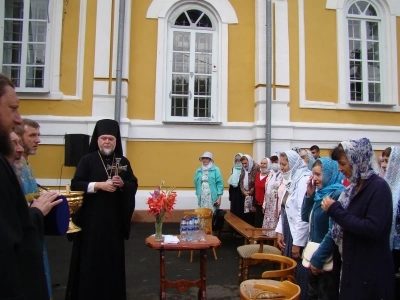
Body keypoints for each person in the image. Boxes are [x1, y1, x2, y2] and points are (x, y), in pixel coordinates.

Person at [0, 73, 61, 299]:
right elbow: (10, 232)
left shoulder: (24, 166)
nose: (17, 118)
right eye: (12, 108)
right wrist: (36, 213)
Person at [65, 119, 138, 300]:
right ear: (97, 140)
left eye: (111, 139)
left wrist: (123, 185)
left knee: (112, 263)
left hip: (113, 223)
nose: (107, 142)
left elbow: (133, 184)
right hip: (91, 223)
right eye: (103, 138)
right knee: (90, 262)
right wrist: (98, 185)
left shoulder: (123, 161)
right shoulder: (87, 160)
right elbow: (76, 184)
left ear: (116, 141)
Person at [321, 138, 394, 300]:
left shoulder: (379, 188)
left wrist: (335, 210)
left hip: (369, 274)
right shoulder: (352, 189)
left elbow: (372, 228)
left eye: (343, 164)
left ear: (358, 161)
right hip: (350, 269)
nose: (340, 169)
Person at [15, 118, 54, 299]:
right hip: (22, 236)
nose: (38, 140)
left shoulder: (26, 164)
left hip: (35, 231)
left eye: (38, 135)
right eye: (32, 135)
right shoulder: (15, 166)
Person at [301, 158, 345, 300]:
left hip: (327, 260)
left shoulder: (337, 194)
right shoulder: (320, 194)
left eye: (318, 175)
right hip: (315, 255)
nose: (314, 178)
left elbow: (333, 231)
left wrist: (318, 258)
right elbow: (305, 217)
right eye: (313, 174)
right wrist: (309, 195)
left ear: (329, 174)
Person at [275, 150, 311, 300]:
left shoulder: (303, 179)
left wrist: (298, 242)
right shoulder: (291, 179)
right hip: (288, 230)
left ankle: (300, 296)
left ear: (294, 164)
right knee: (290, 269)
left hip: (298, 233)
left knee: (299, 270)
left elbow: (302, 214)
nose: (281, 168)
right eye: (280, 164)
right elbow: (284, 208)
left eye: (284, 164)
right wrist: (279, 230)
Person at [382, 146, 400, 282]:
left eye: (388, 161)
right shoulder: (387, 183)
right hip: (387, 244)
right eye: (383, 161)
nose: (383, 165)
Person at [262, 152, 282, 237]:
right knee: (268, 224)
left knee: (276, 225)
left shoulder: (282, 175)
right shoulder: (270, 174)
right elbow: (266, 190)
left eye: (276, 161)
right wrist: (264, 204)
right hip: (269, 204)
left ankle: (275, 242)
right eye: (272, 161)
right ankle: (267, 242)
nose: (274, 164)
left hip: (276, 205)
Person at [239, 154, 260, 226]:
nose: (244, 165)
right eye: (243, 163)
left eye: (245, 163)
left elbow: (257, 182)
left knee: (253, 215)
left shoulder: (256, 167)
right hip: (245, 195)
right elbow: (241, 181)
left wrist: (250, 191)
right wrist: (243, 191)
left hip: (254, 195)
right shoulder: (243, 168)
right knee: (246, 216)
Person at [254, 157, 271, 227]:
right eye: (261, 163)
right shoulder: (257, 175)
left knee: (263, 224)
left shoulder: (270, 176)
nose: (262, 165)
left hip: (265, 205)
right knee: (257, 223)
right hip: (257, 203)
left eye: (265, 163)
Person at [228, 153, 245, 220]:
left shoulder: (244, 169)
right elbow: (231, 181)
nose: (238, 162)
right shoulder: (233, 169)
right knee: (234, 209)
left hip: (241, 192)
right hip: (234, 191)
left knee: (241, 210)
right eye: (236, 160)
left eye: (239, 160)